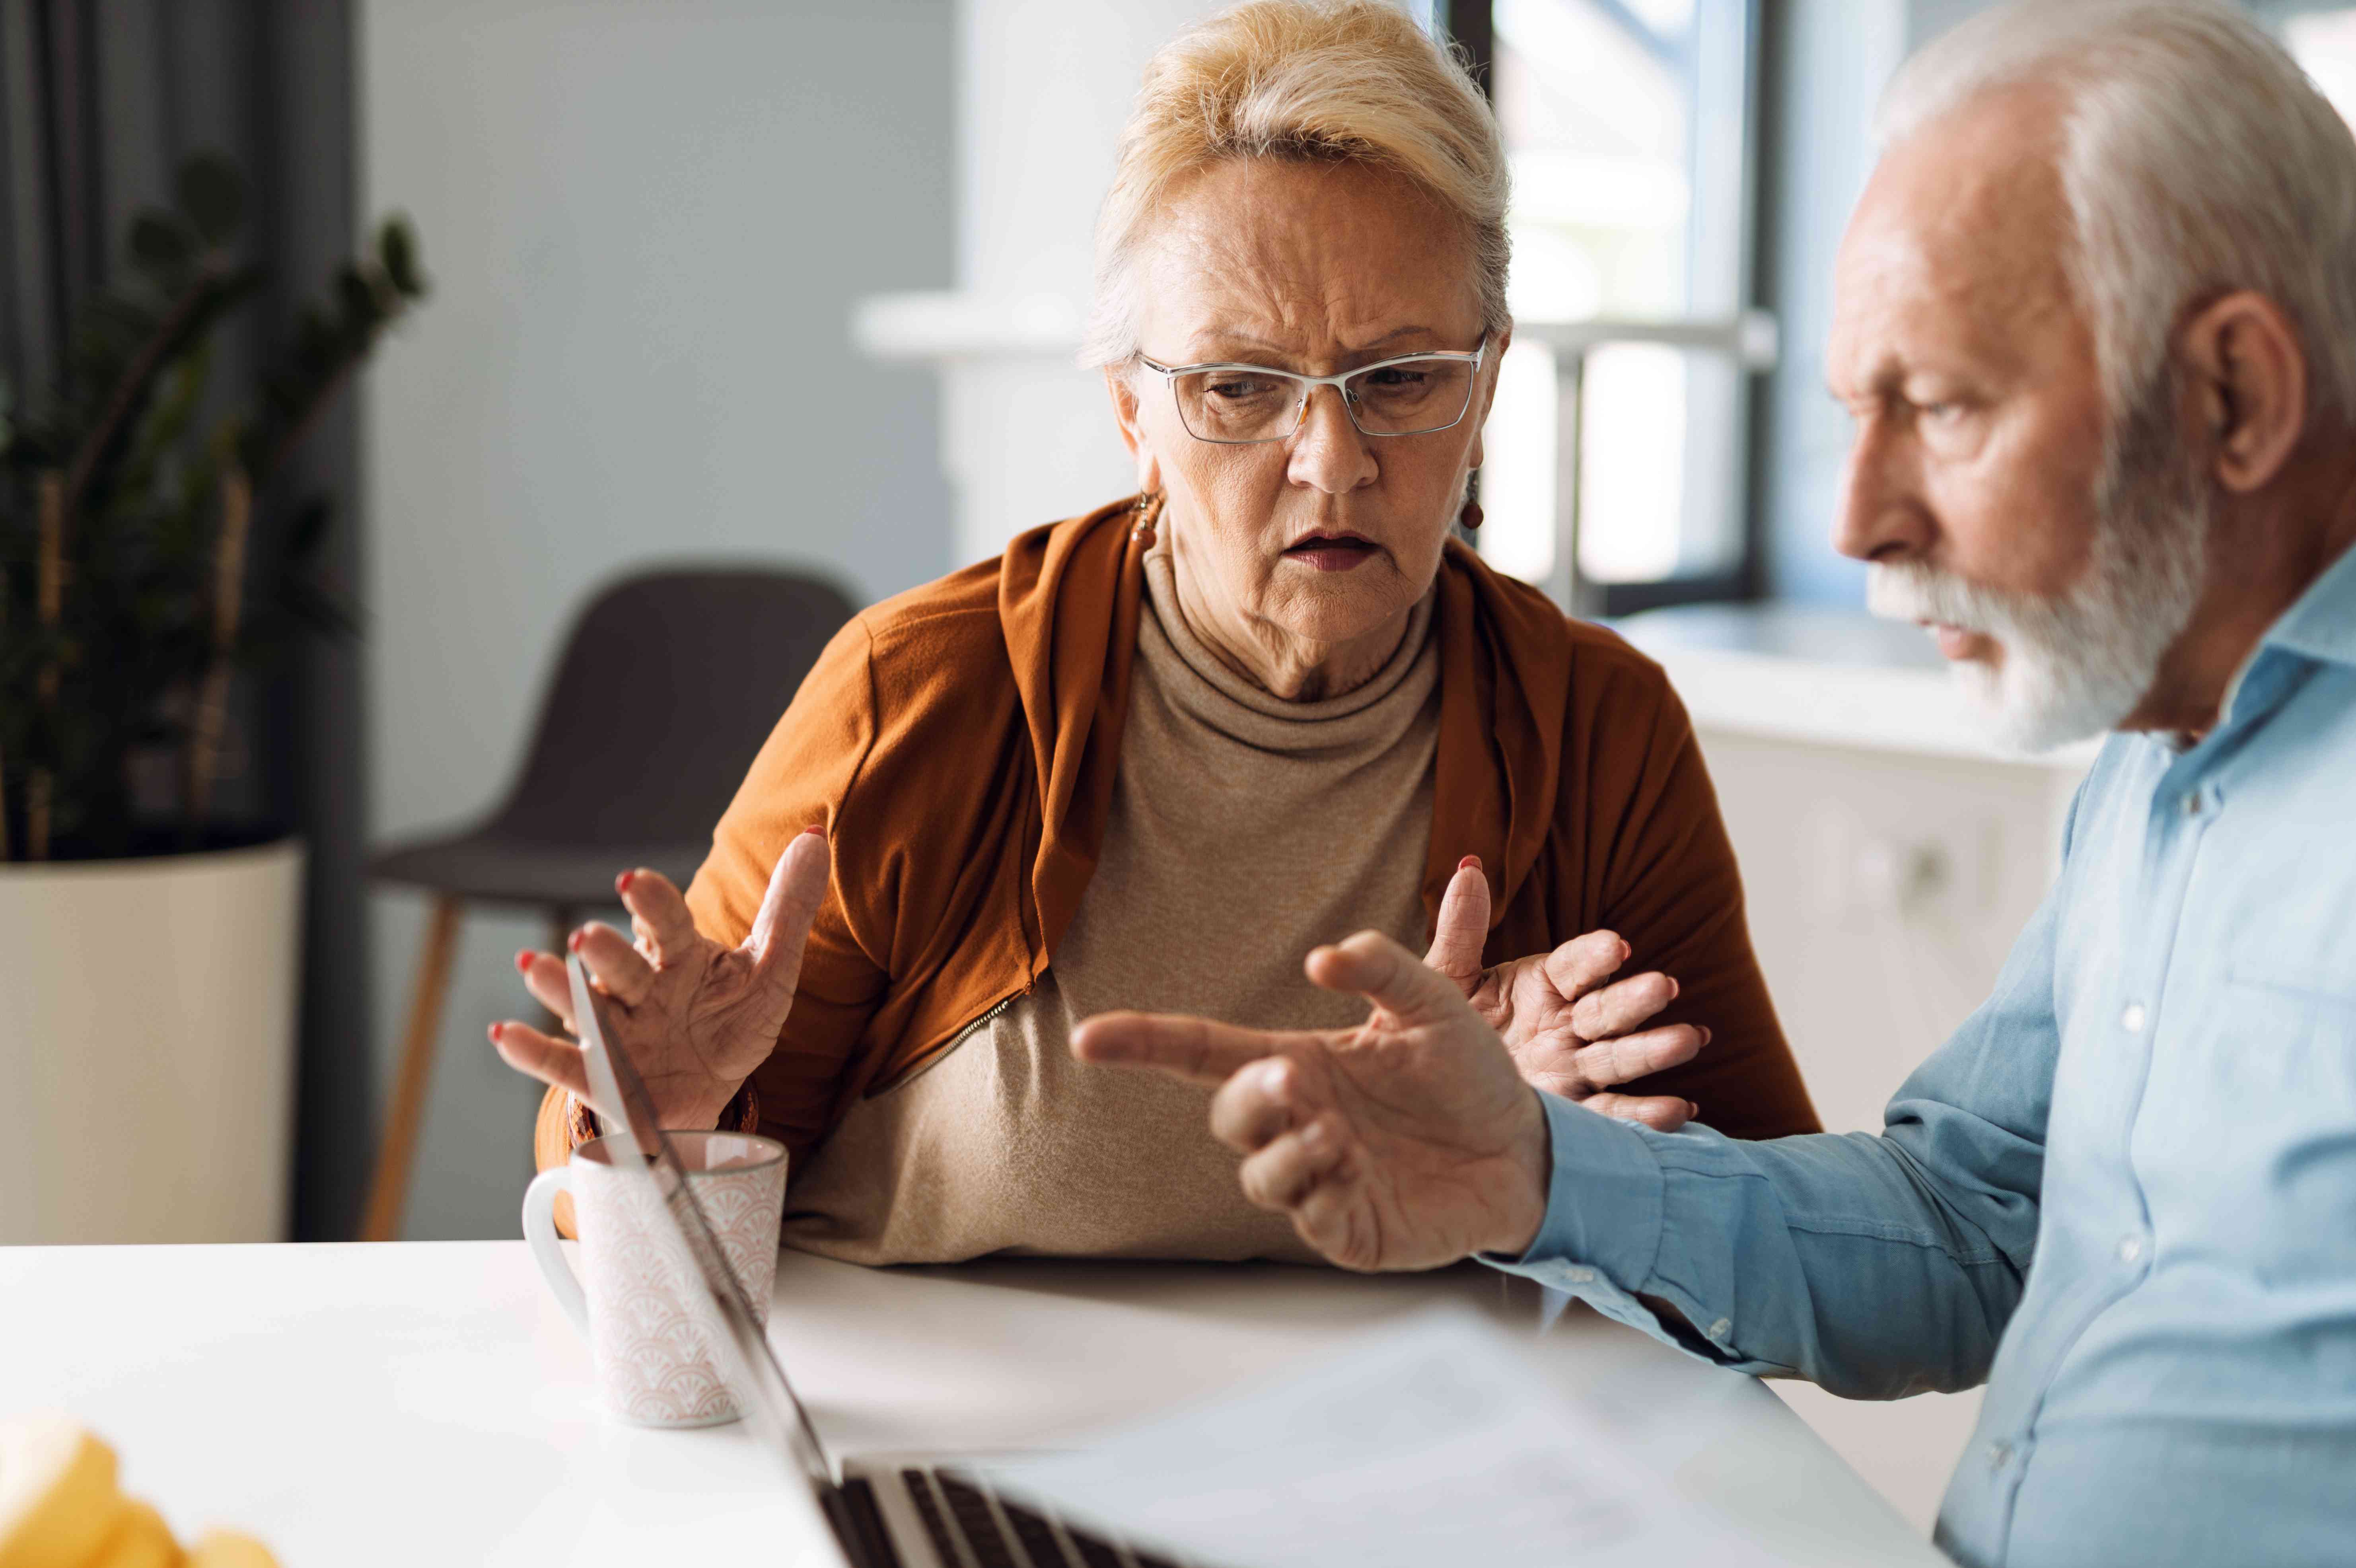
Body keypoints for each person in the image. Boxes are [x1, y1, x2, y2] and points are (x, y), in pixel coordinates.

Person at [1072, 4, 2356, 1568]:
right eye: (1852, 412)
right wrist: (1528, 1169)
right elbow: (1983, 1227)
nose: (1856, 519)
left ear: (2233, 393)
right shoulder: (2176, 721)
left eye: (1942, 407)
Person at [488, 0, 1819, 1266]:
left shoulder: (1595, 727)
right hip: (962, 1443)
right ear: (1135, 416)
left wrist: (1553, 1165)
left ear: (1486, 390)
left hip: (1409, 1464)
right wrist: (652, 1131)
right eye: (1240, 387)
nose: (1334, 461)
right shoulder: (925, 697)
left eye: (1401, 380)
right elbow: (636, 1224)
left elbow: (1782, 1256)